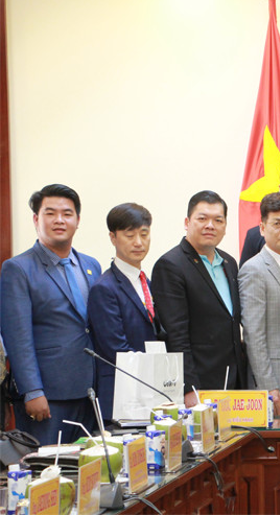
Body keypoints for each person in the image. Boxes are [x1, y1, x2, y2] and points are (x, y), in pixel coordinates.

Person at [0, 184, 101, 443]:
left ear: (77, 220)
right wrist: (32, 391)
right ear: (36, 219)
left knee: (88, 473)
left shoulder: (91, 265)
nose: (59, 220)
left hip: (90, 393)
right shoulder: (18, 269)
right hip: (48, 397)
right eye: (50, 213)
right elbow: (17, 337)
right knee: (47, 476)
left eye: (67, 213)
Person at [152, 191, 246, 407]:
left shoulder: (229, 263)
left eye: (218, 220)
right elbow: (176, 336)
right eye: (202, 218)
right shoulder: (171, 265)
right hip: (199, 385)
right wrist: (189, 388)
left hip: (234, 383)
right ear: (187, 222)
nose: (210, 225)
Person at [87, 203, 160, 422]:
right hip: (122, 395)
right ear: (113, 237)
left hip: (150, 390)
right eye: (130, 235)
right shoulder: (105, 287)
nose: (139, 242)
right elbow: (115, 349)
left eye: (144, 234)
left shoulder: (146, 281)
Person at [238, 192, 280, 425]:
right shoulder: (254, 269)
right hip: (275, 384)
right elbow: (253, 334)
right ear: (262, 228)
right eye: (277, 224)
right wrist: (268, 386)